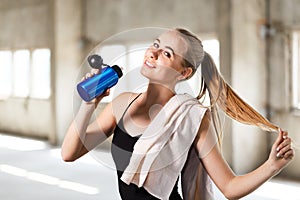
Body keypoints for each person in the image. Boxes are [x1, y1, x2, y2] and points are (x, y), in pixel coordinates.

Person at [61, 28, 294, 200]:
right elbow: (69, 153)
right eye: (155, 44)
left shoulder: (191, 117)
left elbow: (229, 187)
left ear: (183, 73)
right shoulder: (121, 104)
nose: (153, 53)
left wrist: (272, 166)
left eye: (167, 53)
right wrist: (88, 104)